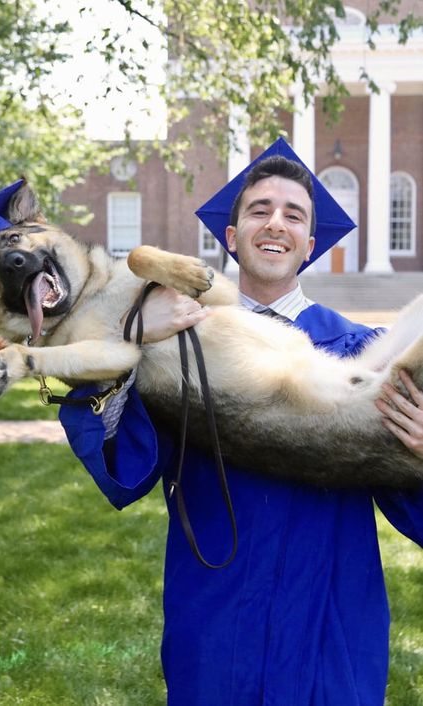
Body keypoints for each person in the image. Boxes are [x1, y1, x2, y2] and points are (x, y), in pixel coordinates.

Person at [60, 143, 423, 706]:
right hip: (219, 608)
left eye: (294, 215)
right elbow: (127, 469)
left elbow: (409, 505)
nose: (275, 223)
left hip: (330, 614)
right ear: (230, 238)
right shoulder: (176, 341)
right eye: (258, 210)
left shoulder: (358, 352)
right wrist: (129, 341)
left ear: (310, 244)